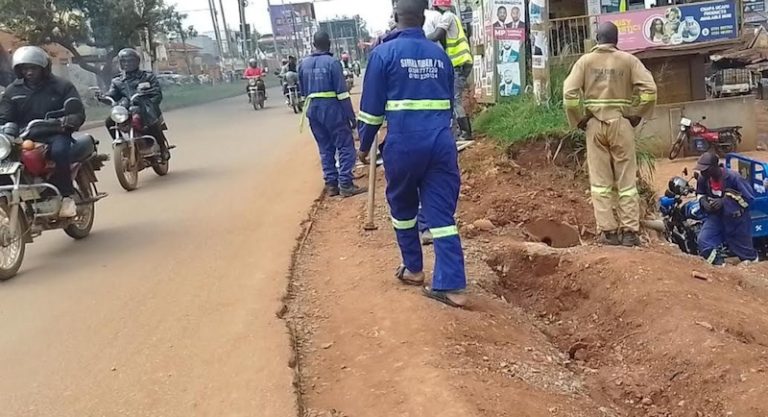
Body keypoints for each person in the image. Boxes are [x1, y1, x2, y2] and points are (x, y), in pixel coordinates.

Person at [358, 0, 467, 308]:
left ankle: (415, 269)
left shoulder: (382, 55)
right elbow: (447, 103)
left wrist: (364, 147)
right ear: (423, 19)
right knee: (441, 216)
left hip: (404, 145)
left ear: (395, 17)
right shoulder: (440, 55)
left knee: (403, 208)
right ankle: (453, 286)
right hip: (440, 143)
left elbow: (370, 113)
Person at [563, 22, 657, 247]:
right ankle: (630, 232)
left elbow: (569, 94)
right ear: (617, 40)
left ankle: (608, 232)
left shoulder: (585, 62)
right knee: (626, 181)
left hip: (594, 124)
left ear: (597, 38)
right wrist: (637, 114)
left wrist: (579, 119)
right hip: (621, 124)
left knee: (600, 182)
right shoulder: (628, 61)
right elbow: (650, 91)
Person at [0, 46, 85, 217]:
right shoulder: (12, 91)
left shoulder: (62, 86)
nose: (29, 72)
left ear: (43, 68)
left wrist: (68, 121)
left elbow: (77, 112)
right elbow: (4, 117)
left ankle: (67, 196)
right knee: (4, 160)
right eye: (25, 68)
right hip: (24, 136)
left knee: (60, 151)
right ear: (19, 70)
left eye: (33, 68)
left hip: (55, 133)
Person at [299, 32, 366, 198]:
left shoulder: (303, 64)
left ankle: (331, 185)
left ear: (314, 44)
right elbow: (342, 94)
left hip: (312, 110)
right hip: (332, 109)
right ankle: (345, 183)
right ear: (329, 43)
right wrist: (351, 118)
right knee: (345, 145)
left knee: (325, 147)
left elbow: (302, 91)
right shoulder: (332, 62)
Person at [100, 48, 170, 161]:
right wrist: (103, 97)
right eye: (124, 61)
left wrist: (150, 103)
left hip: (145, 108)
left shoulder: (147, 76)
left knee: (151, 119)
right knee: (109, 121)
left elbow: (157, 93)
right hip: (127, 110)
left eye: (130, 61)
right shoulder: (117, 81)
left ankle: (162, 148)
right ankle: (121, 144)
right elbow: (112, 94)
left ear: (137, 62)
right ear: (120, 63)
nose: (127, 64)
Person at [695, 153, 758, 265]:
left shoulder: (734, 178)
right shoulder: (703, 178)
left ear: (715, 167)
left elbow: (749, 199)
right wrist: (703, 201)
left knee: (746, 253)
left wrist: (724, 201)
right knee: (704, 240)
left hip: (737, 221)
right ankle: (720, 267)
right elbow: (700, 193)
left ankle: (754, 269)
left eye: (705, 169)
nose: (702, 172)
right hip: (717, 218)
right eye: (701, 170)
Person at [427, 0, 474, 140]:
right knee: (453, 97)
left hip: (458, 63)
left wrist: (419, 37)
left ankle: (466, 132)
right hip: (461, 62)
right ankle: (460, 130)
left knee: (455, 99)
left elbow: (436, 35)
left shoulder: (447, 16)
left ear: (437, 7)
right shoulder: (453, 17)